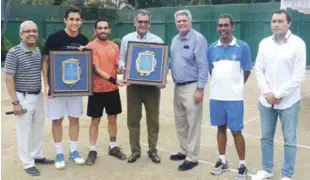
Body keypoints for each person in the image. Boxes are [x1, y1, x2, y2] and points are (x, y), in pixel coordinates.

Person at [253, 9, 306, 180]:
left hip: (289, 102)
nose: (276, 24)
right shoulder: (264, 44)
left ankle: (286, 175)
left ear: (288, 23)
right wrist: (268, 93)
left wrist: (279, 94)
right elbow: (259, 69)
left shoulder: (298, 44)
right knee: (266, 138)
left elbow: (298, 76)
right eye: (273, 21)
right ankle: (267, 170)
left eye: (280, 21)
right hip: (266, 101)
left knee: (289, 140)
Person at [4, 20, 54, 176]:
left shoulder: (38, 51)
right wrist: (15, 102)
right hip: (22, 96)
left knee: (38, 128)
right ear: (21, 34)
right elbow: (8, 78)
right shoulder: (14, 52)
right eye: (28, 31)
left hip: (37, 95)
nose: (32, 34)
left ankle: (37, 155)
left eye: (34, 30)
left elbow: (44, 68)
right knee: (24, 132)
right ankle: (27, 162)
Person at [42, 7, 89, 169]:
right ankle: (59, 153)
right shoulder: (53, 38)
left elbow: (87, 65)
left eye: (77, 19)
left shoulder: (84, 40)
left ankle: (74, 151)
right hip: (56, 89)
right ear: (65, 20)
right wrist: (47, 85)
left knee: (74, 119)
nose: (74, 22)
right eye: (71, 19)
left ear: (81, 21)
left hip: (76, 88)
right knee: (57, 120)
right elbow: (46, 62)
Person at [207, 14, 252, 180]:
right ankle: (223, 161)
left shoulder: (243, 47)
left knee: (236, 131)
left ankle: (242, 164)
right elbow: (212, 71)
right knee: (220, 129)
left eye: (226, 25)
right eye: (220, 26)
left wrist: (235, 87)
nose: (223, 28)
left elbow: (246, 71)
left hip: (234, 99)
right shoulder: (212, 48)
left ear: (232, 27)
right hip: (216, 97)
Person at [118, 10, 164, 164]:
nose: (143, 24)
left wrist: (161, 77)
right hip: (134, 86)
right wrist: (124, 68)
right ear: (135, 23)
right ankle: (135, 151)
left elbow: (162, 63)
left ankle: (152, 151)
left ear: (149, 24)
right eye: (140, 22)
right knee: (133, 120)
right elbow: (121, 60)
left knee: (153, 120)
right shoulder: (126, 39)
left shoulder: (157, 40)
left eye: (146, 22)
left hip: (152, 89)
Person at [169, 10, 208, 171]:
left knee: (193, 123)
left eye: (184, 20)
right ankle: (184, 150)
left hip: (192, 86)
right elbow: (172, 62)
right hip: (178, 87)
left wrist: (200, 89)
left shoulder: (198, 39)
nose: (181, 23)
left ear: (190, 22)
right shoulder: (174, 39)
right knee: (181, 122)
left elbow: (203, 65)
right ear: (175, 23)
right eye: (179, 21)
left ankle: (192, 158)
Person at [84, 18, 126, 165]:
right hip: (96, 90)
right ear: (95, 30)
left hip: (112, 90)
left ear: (109, 30)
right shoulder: (90, 46)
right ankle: (92, 150)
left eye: (105, 28)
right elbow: (96, 69)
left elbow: (116, 66)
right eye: (100, 28)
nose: (103, 30)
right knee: (95, 120)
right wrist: (114, 80)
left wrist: (122, 69)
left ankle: (113, 147)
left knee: (112, 119)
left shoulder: (115, 46)